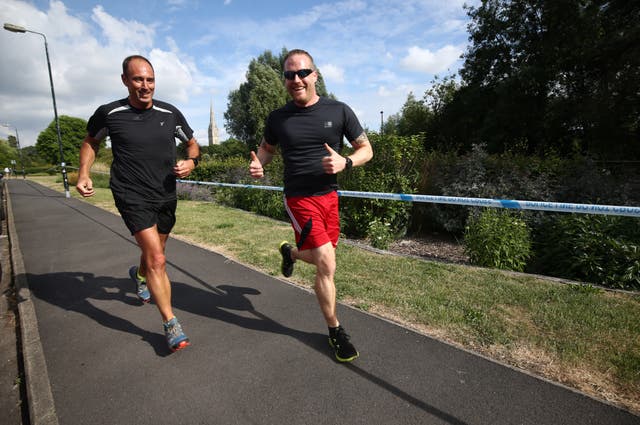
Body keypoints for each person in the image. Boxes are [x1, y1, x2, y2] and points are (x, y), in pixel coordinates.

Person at [249, 49, 373, 362]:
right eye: (289, 74)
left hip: (329, 198)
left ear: (315, 75)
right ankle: (335, 332)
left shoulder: (339, 110)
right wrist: (260, 164)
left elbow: (366, 149)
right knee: (327, 263)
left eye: (302, 73)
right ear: (285, 80)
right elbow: (266, 149)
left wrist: (346, 162)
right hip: (299, 198)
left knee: (324, 257)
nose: (296, 79)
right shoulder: (278, 117)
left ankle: (289, 253)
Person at [76, 55, 200, 352]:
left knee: (155, 251)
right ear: (125, 80)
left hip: (165, 193)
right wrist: (83, 173)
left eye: (150, 80)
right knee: (157, 258)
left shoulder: (170, 113)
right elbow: (90, 142)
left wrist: (192, 162)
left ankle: (140, 275)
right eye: (138, 80)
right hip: (130, 193)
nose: (145, 86)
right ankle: (171, 324)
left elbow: (192, 144)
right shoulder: (109, 113)